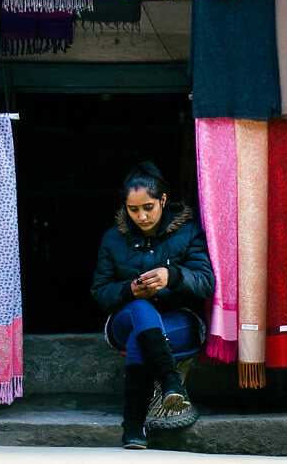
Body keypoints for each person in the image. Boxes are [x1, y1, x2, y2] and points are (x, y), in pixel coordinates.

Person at [91, 162, 215, 449]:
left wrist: (172, 276)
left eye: (148, 207)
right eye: (133, 209)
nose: (141, 216)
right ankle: (171, 382)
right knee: (140, 308)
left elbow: (205, 282)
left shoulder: (188, 232)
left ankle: (133, 426)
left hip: (178, 322)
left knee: (141, 334)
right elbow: (100, 290)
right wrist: (128, 289)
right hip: (124, 319)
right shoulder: (113, 238)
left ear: (163, 200)